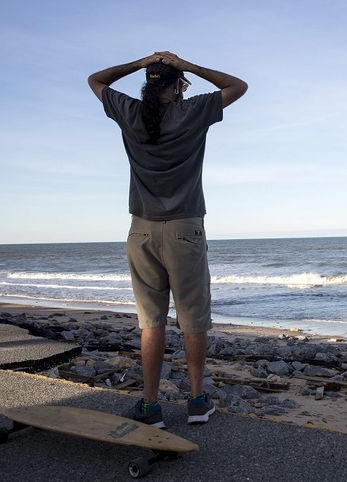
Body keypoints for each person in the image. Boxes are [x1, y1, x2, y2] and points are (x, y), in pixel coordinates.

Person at [88, 51, 247, 427]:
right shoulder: (191, 111)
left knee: (151, 321)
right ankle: (195, 401)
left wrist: (140, 62)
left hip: (141, 228)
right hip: (184, 227)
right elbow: (238, 86)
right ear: (177, 86)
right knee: (192, 317)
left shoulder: (130, 111)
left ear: (148, 84)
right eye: (183, 82)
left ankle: (150, 405)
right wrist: (189, 65)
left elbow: (96, 80)